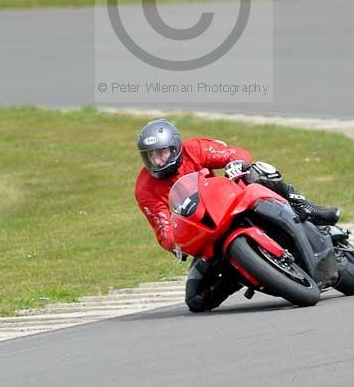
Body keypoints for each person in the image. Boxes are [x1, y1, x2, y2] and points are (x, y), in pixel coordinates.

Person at [134, 118, 341, 313]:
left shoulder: (194, 148)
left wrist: (236, 163)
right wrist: (176, 244)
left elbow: (233, 153)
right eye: (150, 156)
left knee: (257, 172)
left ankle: (304, 206)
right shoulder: (145, 188)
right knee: (196, 300)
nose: (157, 161)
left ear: (175, 148)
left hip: (229, 200)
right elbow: (162, 228)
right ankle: (241, 274)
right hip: (206, 231)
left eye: (162, 153)